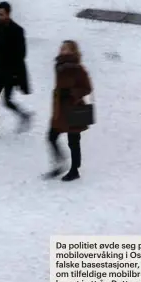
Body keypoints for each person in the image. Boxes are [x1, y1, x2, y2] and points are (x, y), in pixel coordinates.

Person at [0, 2, 32, 140]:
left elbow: (21, 54)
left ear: (8, 13)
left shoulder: (17, 30)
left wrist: (15, 73)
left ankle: (24, 115)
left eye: (1, 14)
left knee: (7, 101)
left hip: (9, 73)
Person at [45, 40, 93, 182]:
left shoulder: (78, 69)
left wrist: (72, 92)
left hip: (73, 108)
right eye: (61, 48)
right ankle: (60, 162)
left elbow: (87, 88)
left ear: (73, 51)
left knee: (73, 142)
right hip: (60, 109)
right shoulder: (59, 65)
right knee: (51, 137)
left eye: (66, 49)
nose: (62, 50)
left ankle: (74, 170)